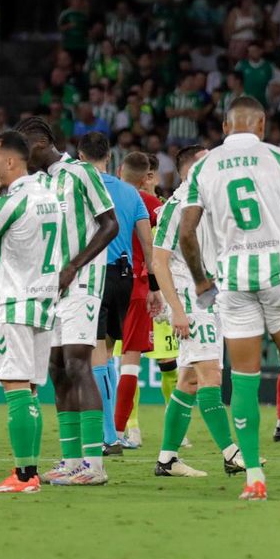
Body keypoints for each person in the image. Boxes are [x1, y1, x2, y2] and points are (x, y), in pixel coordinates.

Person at [178, 96, 280, 501]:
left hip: (232, 279)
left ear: (226, 127)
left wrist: (200, 280)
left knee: (242, 379)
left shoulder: (204, 167)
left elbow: (186, 233)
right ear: (261, 124)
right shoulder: (279, 160)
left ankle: (254, 476)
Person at [17, 116, 120, 486]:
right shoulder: (38, 183)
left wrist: (74, 266)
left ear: (42, 141)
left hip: (82, 282)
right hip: (50, 288)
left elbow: (110, 224)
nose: (22, 157)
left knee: (78, 364)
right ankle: (71, 459)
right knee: (57, 368)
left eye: (24, 148)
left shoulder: (80, 173)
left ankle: (94, 463)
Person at [0, 131, 64, 494]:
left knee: (16, 388)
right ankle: (29, 471)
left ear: (10, 161)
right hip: (42, 302)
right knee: (32, 390)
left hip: (14, 302)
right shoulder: (49, 196)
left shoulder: (13, 201)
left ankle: (23, 477)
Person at [149, 144, 245, 478]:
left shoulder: (208, 204)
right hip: (190, 302)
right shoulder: (175, 206)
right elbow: (158, 259)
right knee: (210, 376)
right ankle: (232, 453)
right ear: (191, 170)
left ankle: (167, 459)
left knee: (189, 380)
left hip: (209, 299)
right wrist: (175, 309)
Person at [84, 132, 148, 454]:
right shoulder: (130, 192)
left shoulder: (80, 190)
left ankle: (108, 435)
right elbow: (147, 242)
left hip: (94, 276)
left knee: (96, 353)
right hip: (125, 278)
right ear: (109, 158)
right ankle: (115, 431)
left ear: (81, 158)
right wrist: (154, 287)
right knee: (109, 353)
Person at [113, 151, 165, 448]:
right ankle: (119, 432)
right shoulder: (151, 203)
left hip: (105, 282)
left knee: (101, 358)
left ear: (120, 169)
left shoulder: (105, 195)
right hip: (138, 286)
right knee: (131, 362)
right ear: (147, 176)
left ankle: (102, 430)